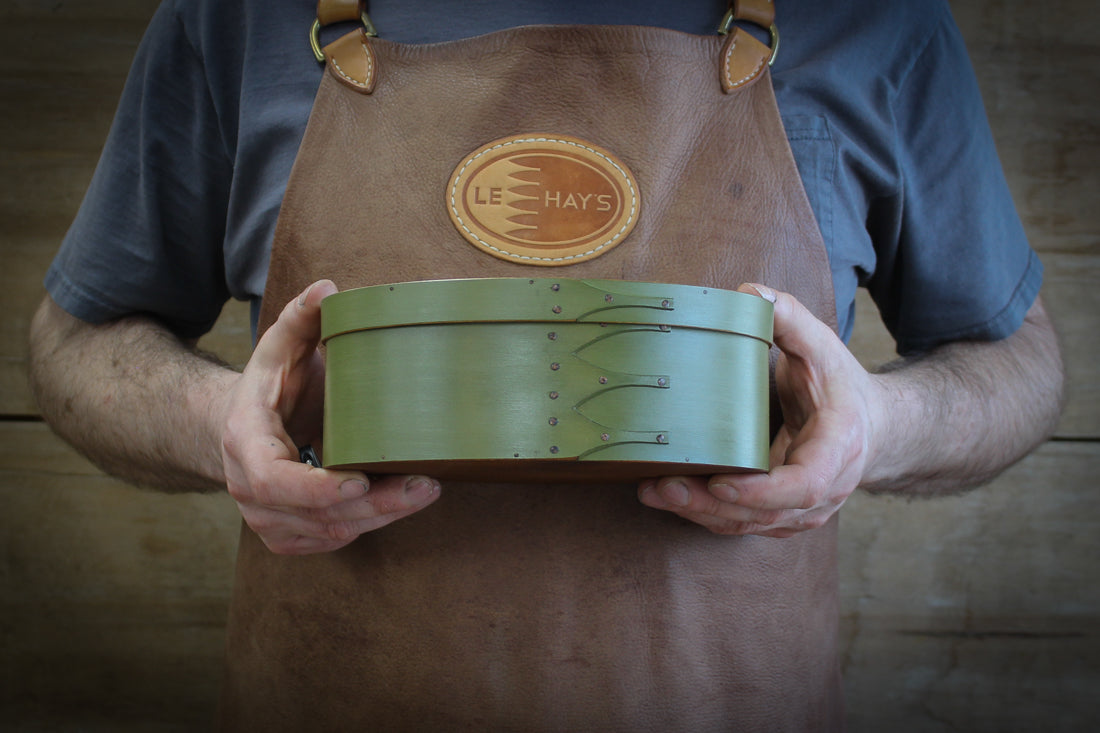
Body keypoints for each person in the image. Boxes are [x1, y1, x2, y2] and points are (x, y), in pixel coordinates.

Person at [28, 0, 1064, 730]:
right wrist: (220, 420)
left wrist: (880, 427)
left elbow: (1014, 360)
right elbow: (77, 343)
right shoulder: (234, 17)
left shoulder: (877, 22)